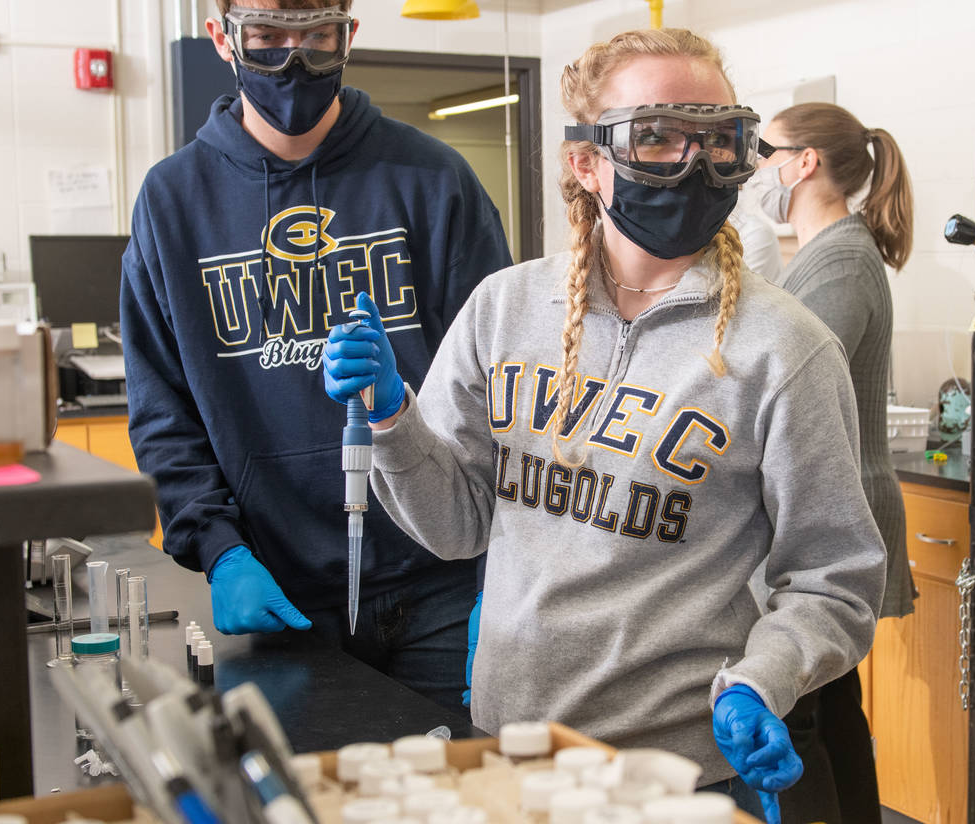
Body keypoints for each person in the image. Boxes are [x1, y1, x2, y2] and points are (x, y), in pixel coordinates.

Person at [321, 28, 885, 824]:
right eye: (655, 136)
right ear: (586, 162)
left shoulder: (784, 349)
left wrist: (766, 677)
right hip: (509, 752)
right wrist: (392, 418)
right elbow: (455, 526)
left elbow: (834, 577)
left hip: (675, 775)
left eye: (718, 137)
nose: (692, 162)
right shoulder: (505, 309)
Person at [120, 0, 512, 714]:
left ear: (349, 35)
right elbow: (161, 409)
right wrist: (220, 549)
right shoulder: (173, 202)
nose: (293, 60)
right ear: (222, 36)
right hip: (280, 591)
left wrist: (501, 572)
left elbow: (503, 392)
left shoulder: (432, 179)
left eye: (317, 38)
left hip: (442, 583)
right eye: (267, 37)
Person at [742, 102, 918, 824]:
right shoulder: (820, 253)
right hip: (831, 493)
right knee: (831, 701)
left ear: (803, 162)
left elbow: (793, 380)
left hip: (837, 503)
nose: (756, 169)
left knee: (810, 708)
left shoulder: (841, 259)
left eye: (763, 152)